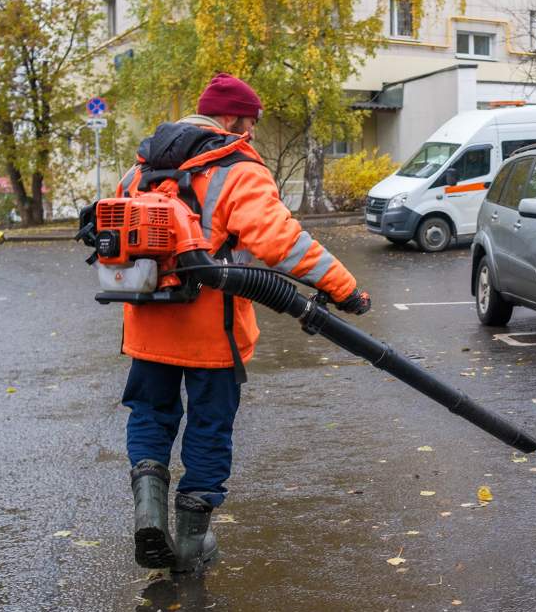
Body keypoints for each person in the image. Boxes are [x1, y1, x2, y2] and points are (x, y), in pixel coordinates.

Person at [117, 73, 372, 573]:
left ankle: (148, 510)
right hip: (211, 331)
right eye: (250, 124)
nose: (250, 135)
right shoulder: (235, 168)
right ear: (230, 119)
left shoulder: (140, 168)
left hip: (146, 322)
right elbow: (283, 242)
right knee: (210, 426)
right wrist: (344, 288)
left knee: (150, 415)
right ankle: (191, 545)